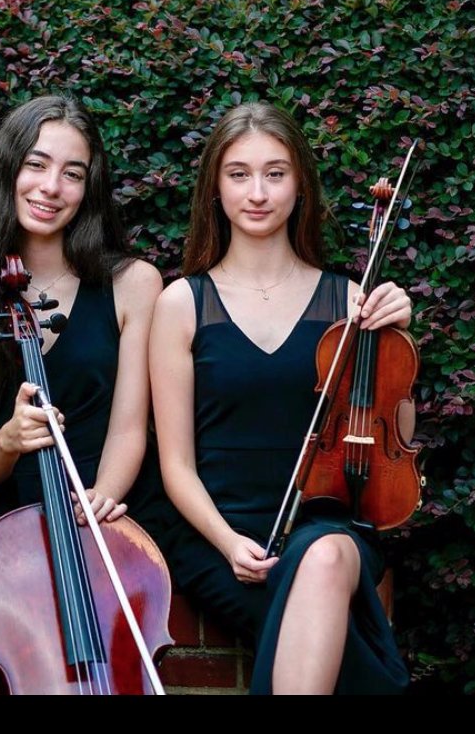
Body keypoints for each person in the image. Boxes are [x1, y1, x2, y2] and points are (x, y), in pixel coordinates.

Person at [0, 95, 164, 694]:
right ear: (8, 170)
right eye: (36, 165)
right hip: (0, 523)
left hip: (100, 510)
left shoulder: (133, 284)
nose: (51, 187)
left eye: (73, 173)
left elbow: (129, 428)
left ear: (89, 188)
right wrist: (9, 439)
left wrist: (103, 497)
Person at [149, 101, 412, 694]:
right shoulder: (182, 304)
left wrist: (394, 338)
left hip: (327, 524)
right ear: (215, 188)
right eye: (239, 174)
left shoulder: (349, 301)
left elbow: (396, 435)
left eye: (275, 173)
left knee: (324, 556)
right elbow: (176, 466)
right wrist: (228, 544)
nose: (258, 193)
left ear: (300, 186)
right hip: (222, 536)